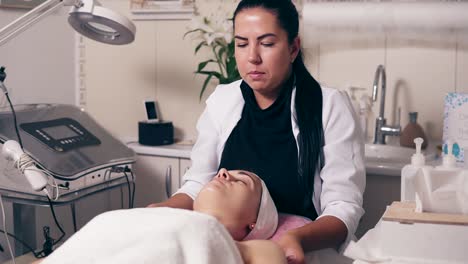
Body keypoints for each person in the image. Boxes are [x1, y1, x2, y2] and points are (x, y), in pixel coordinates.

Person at [148, 0, 365, 263]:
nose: (252, 57)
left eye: (267, 43)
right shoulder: (222, 101)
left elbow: (343, 208)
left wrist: (294, 239)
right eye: (241, 44)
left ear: (293, 47)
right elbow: (198, 185)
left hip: (302, 254)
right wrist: (157, 213)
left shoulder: (328, 106)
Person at [34, 169, 286, 264]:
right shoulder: (148, 216)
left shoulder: (252, 248)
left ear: (252, 223)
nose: (223, 173)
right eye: (224, 171)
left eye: (242, 181)